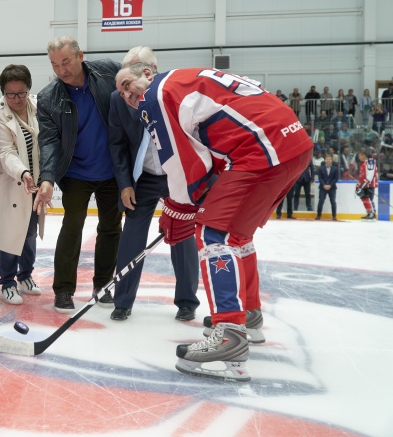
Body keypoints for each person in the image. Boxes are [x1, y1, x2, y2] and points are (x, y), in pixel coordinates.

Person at [116, 63, 313, 381]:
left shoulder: (156, 95)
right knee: (237, 235)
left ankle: (229, 334)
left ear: (148, 74)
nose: (127, 93)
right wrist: (188, 204)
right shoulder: (183, 79)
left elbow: (179, 160)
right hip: (290, 141)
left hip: (262, 148)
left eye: (128, 83)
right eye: (122, 92)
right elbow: (211, 153)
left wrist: (177, 208)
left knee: (212, 234)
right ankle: (247, 315)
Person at [107, 46, 199, 322]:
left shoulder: (174, 94)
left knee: (182, 235)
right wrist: (125, 184)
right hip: (143, 177)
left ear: (151, 72)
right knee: (132, 236)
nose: (127, 91)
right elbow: (117, 144)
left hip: (177, 176)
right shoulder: (118, 99)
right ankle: (122, 301)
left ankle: (186, 301)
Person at [32, 36, 122, 313]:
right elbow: (49, 142)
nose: (61, 70)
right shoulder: (48, 98)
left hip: (112, 171)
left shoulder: (109, 71)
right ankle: (63, 290)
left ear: (80, 55)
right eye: (55, 65)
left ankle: (103, 284)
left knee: (110, 229)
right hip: (75, 173)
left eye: (66, 62)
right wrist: (46, 178)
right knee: (72, 227)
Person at [0, 64, 45, 305]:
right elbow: (4, 152)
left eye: (21, 92)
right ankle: (8, 282)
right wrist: (22, 172)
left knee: (29, 232)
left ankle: (25, 276)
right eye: (11, 94)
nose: (17, 99)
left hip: (34, 185)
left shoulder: (37, 106)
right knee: (10, 233)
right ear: (3, 92)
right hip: (9, 182)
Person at [356, 150, 378, 220]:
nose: (359, 157)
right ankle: (369, 213)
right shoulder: (363, 163)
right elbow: (362, 175)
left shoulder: (370, 161)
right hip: (364, 184)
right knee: (364, 198)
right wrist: (359, 185)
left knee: (369, 199)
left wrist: (362, 185)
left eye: (360, 155)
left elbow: (370, 175)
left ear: (363, 155)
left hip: (369, 184)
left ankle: (373, 214)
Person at [316, 154, 339, 220]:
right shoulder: (321, 168)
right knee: (321, 201)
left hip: (332, 188)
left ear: (331, 160)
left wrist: (330, 185)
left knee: (333, 202)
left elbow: (336, 178)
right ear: (325, 160)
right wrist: (324, 185)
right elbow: (320, 178)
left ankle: (334, 216)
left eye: (329, 159)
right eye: (327, 159)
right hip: (323, 187)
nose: (328, 160)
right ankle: (318, 215)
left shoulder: (335, 168)